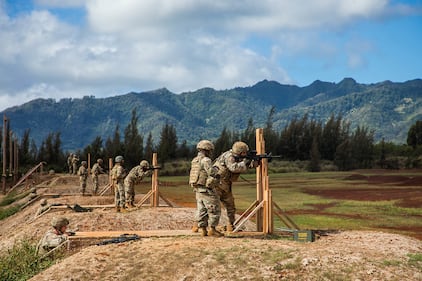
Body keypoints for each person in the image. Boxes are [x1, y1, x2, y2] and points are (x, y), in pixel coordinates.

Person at [213, 141, 259, 232]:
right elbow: (233, 168)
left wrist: (254, 161)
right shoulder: (229, 156)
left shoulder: (238, 157)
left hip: (226, 185)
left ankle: (230, 225)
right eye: (244, 152)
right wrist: (245, 162)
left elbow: (248, 165)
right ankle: (205, 227)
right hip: (217, 184)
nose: (245, 154)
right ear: (240, 152)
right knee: (213, 206)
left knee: (230, 206)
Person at [189, 140, 223, 237]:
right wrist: (217, 168)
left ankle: (203, 230)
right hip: (206, 189)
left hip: (198, 189)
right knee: (214, 208)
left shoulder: (195, 160)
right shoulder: (206, 160)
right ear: (208, 150)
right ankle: (212, 229)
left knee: (201, 209)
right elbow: (212, 173)